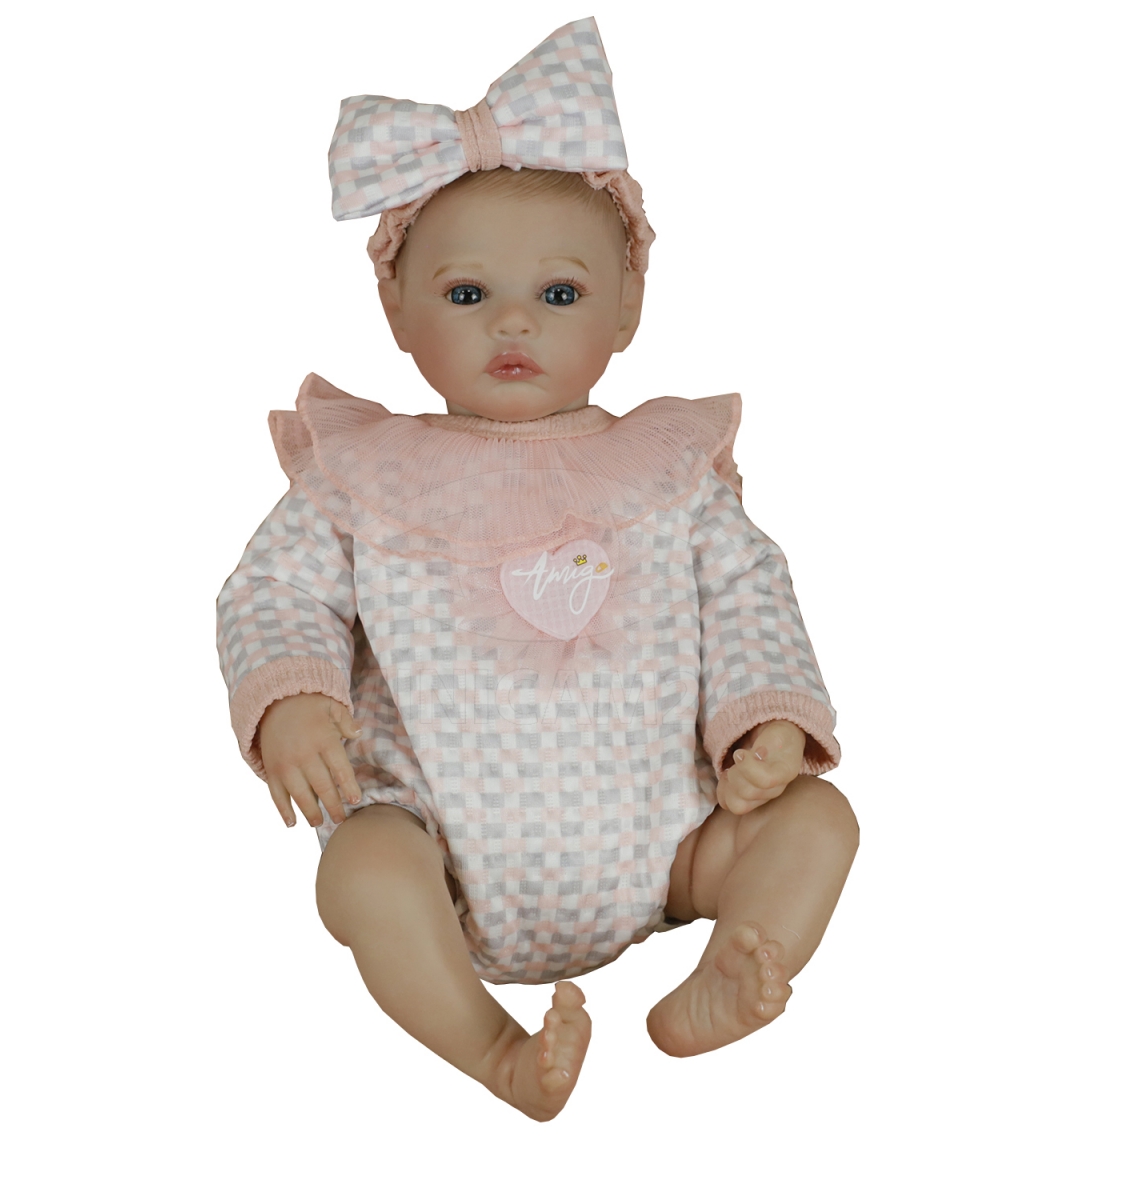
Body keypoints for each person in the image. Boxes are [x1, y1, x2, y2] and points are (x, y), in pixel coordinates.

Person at [216, 17, 858, 1121]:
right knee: (361, 867)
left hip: (677, 850)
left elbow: (749, 589)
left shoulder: (666, 473)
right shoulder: (364, 475)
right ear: (397, 310)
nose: (512, 320)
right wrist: (292, 699)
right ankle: (494, 1051)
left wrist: (765, 727)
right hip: (437, 855)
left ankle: (733, 964)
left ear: (627, 308)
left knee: (819, 821)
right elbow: (273, 589)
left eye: (559, 295)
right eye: (466, 295)